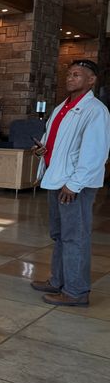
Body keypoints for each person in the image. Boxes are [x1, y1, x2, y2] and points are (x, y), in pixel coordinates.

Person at [30, 59, 110, 306]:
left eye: (77, 74)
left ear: (91, 80)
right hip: (56, 178)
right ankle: (58, 281)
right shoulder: (61, 108)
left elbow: (95, 153)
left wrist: (74, 185)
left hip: (74, 185)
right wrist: (43, 149)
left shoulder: (95, 110)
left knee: (75, 237)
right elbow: (58, 142)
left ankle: (76, 292)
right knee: (60, 235)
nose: (70, 78)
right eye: (69, 74)